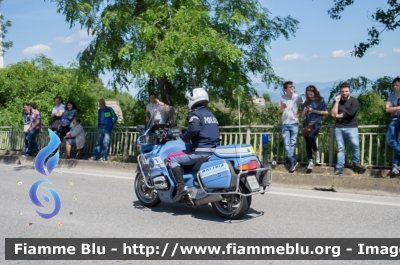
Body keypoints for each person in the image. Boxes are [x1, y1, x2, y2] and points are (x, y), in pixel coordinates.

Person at [167, 88, 220, 202]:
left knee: (172, 158)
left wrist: (185, 138)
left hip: (201, 150)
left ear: (193, 99)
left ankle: (181, 187)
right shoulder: (210, 115)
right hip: (214, 150)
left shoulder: (195, 113)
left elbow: (194, 128)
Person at [331, 82, 366, 176]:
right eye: (342, 91)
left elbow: (351, 113)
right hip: (339, 128)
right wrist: (337, 102)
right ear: (340, 91)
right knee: (341, 148)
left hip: (352, 127)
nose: (344, 93)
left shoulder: (354, 101)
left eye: (346, 91)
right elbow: (333, 114)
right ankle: (339, 168)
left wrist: (338, 115)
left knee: (355, 145)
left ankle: (355, 163)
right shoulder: (336, 101)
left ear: (349, 91)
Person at [301, 85, 328, 169]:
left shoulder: (321, 100)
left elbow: (326, 112)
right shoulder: (306, 102)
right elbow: (302, 115)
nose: (310, 94)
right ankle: (310, 161)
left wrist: (314, 111)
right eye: (308, 93)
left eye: (311, 93)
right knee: (307, 143)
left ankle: (316, 153)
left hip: (316, 123)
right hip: (306, 124)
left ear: (315, 92)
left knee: (311, 136)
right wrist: (305, 110)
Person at [278, 81, 304, 172]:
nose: (292, 88)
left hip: (294, 123)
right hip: (285, 124)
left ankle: (290, 161)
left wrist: (301, 115)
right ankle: (293, 161)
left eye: (292, 86)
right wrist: (282, 108)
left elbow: (305, 106)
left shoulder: (298, 97)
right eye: (289, 87)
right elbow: (279, 111)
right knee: (287, 144)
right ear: (285, 89)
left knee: (292, 144)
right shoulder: (282, 98)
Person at [385, 77, 400, 174]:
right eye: (394, 85)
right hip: (394, 120)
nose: (395, 87)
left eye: (397, 85)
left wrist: (393, 108)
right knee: (390, 140)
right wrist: (398, 108)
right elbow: (387, 109)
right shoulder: (391, 97)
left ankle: (395, 164)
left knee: (399, 142)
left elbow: (391, 109)